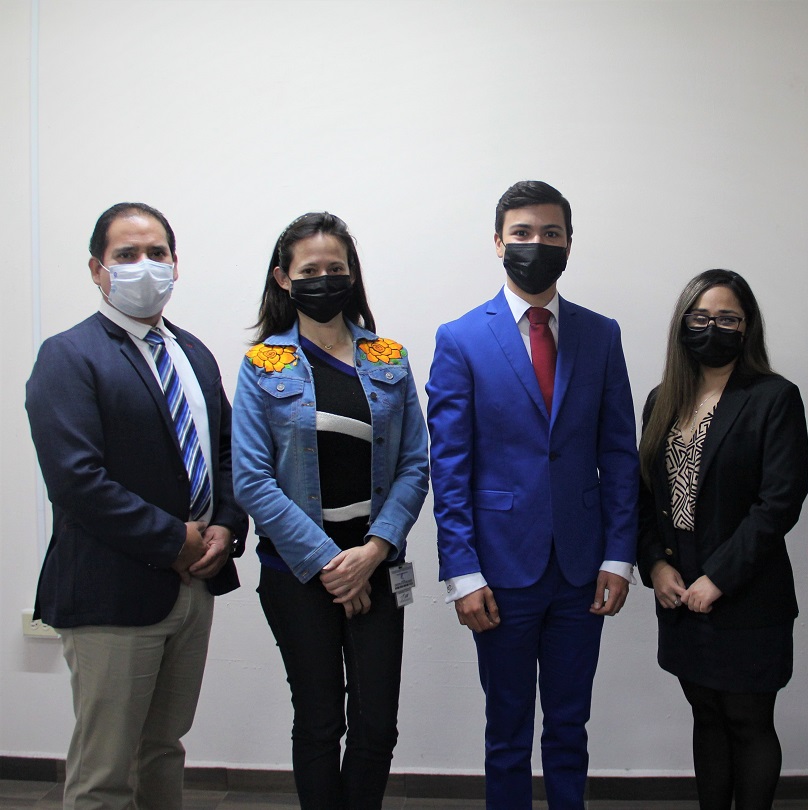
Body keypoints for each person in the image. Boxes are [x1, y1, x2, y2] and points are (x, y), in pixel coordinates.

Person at [25, 202, 248, 810]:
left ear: (176, 263)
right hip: (112, 592)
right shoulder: (68, 356)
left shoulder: (193, 353)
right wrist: (175, 540)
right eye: (126, 255)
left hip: (194, 585)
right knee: (106, 770)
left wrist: (227, 526)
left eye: (157, 253)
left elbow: (225, 452)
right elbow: (77, 481)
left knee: (163, 749)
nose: (144, 266)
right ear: (97, 269)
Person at [426, 181, 639, 809]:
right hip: (499, 570)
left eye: (551, 233)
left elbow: (618, 454)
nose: (536, 244)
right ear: (498, 243)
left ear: (569, 243)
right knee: (508, 730)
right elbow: (450, 467)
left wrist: (619, 555)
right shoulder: (460, 338)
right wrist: (461, 573)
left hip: (582, 567)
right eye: (521, 233)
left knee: (570, 726)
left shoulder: (601, 335)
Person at [231, 212, 429, 810]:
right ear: (283, 279)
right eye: (309, 270)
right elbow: (251, 479)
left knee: (377, 725)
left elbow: (415, 465)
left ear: (352, 274)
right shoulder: (262, 365)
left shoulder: (390, 357)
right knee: (319, 723)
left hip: (380, 567)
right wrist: (329, 563)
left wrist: (371, 554)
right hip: (296, 575)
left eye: (335, 268)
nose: (324, 279)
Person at [637, 270, 808, 810]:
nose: (713, 328)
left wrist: (719, 578)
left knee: (748, 721)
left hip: (747, 593)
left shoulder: (774, 397)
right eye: (701, 317)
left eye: (727, 318)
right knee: (706, 716)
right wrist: (655, 566)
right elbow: (643, 497)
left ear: (747, 327)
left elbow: (779, 502)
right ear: (682, 325)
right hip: (679, 592)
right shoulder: (662, 400)